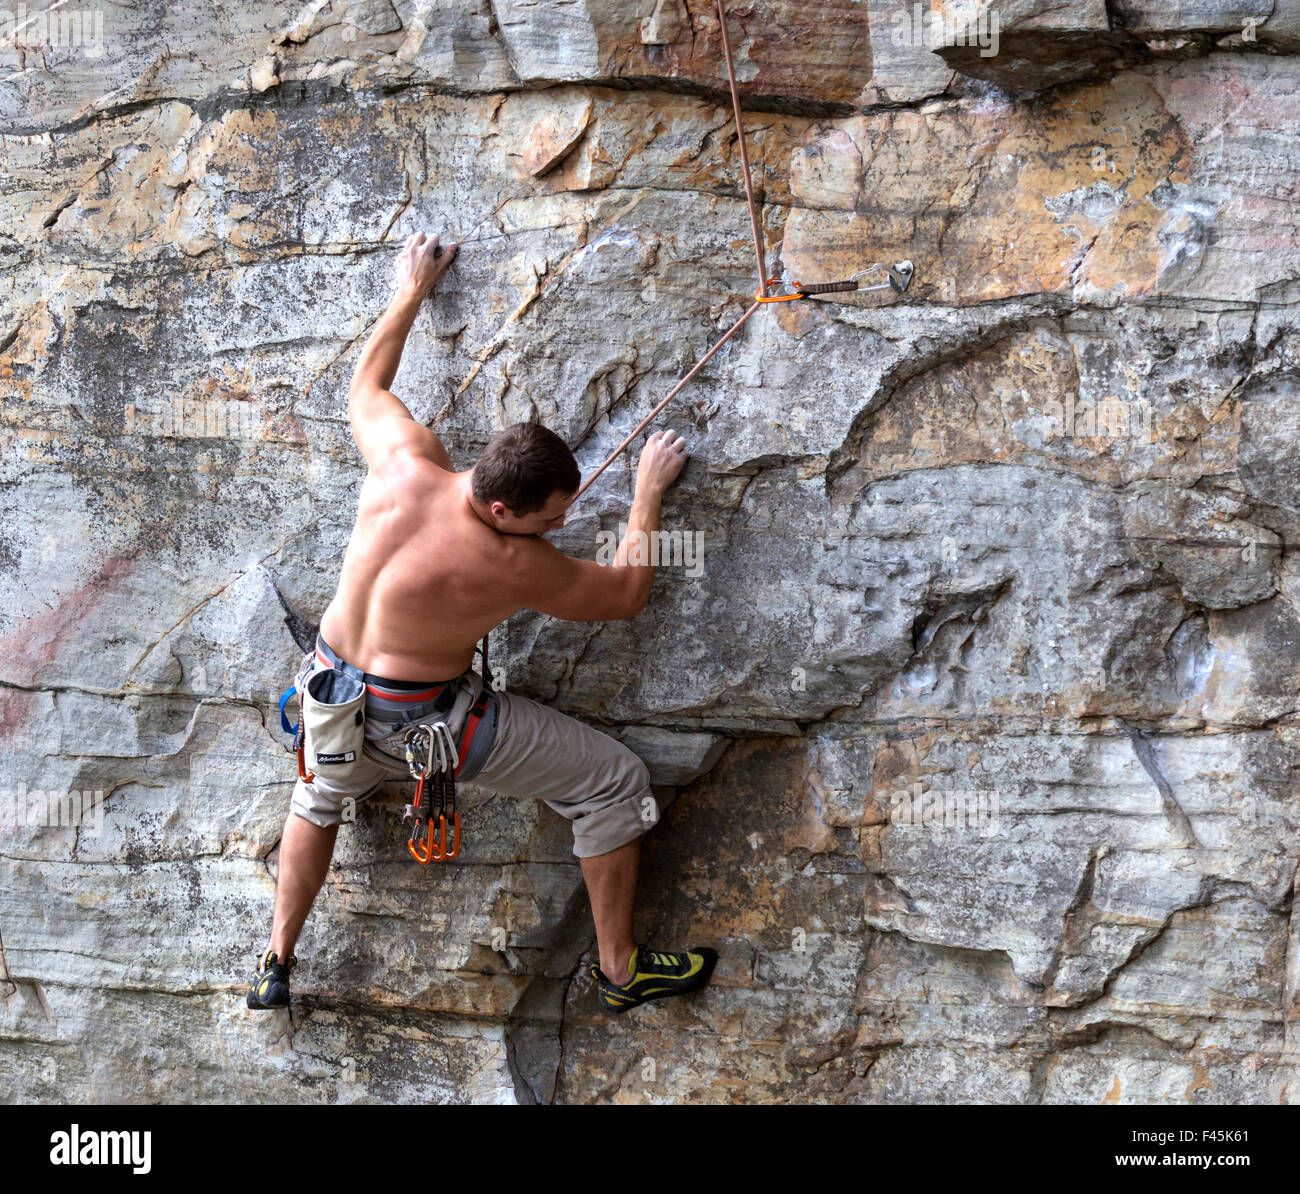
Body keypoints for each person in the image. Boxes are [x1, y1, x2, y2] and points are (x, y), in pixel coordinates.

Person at [246, 232, 717, 1016]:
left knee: (318, 795)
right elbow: (628, 593)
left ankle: (274, 959)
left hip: (326, 700)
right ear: (502, 510)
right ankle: (620, 969)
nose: (559, 531)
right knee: (614, 782)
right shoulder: (509, 563)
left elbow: (363, 386)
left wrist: (412, 289)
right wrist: (647, 493)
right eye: (552, 518)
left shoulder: (405, 460)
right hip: (423, 727)